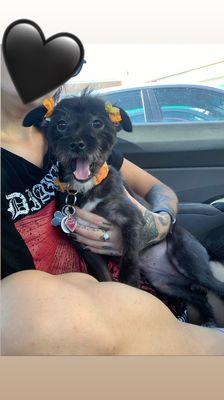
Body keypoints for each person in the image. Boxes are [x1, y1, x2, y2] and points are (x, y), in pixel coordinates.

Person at [1, 57, 224, 355]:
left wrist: (155, 225)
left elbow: (160, 190)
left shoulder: (73, 134)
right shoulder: (59, 135)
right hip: (95, 315)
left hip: (155, 278)